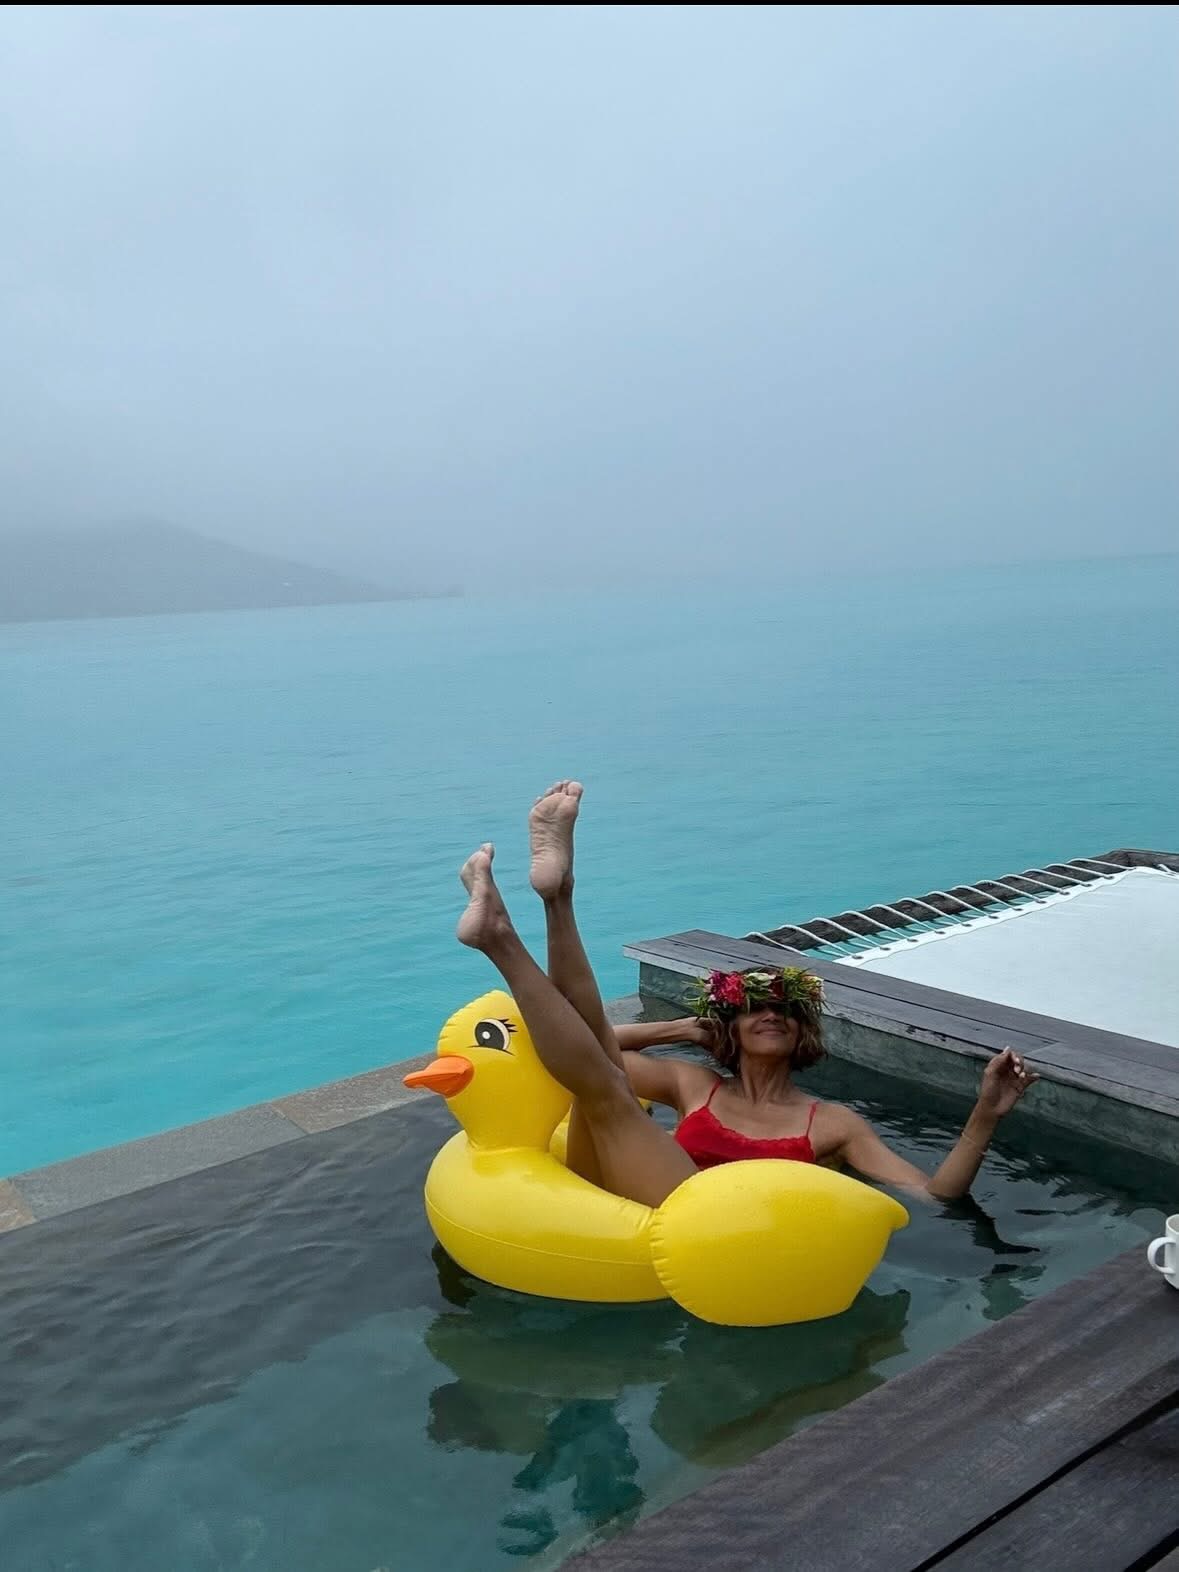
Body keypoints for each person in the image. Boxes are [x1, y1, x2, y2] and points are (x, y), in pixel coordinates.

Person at [457, 780, 1037, 1208]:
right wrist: (680, 1029)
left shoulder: (833, 1124)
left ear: (803, 1032)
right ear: (728, 1027)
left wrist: (985, 1112)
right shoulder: (692, 1085)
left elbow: (934, 1194)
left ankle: (508, 933)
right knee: (600, 1073)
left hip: (714, 1236)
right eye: (753, 1006)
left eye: (785, 1008)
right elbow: (590, 1045)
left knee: (605, 1086)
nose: (771, 1013)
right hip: (622, 1210)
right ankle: (555, 895)